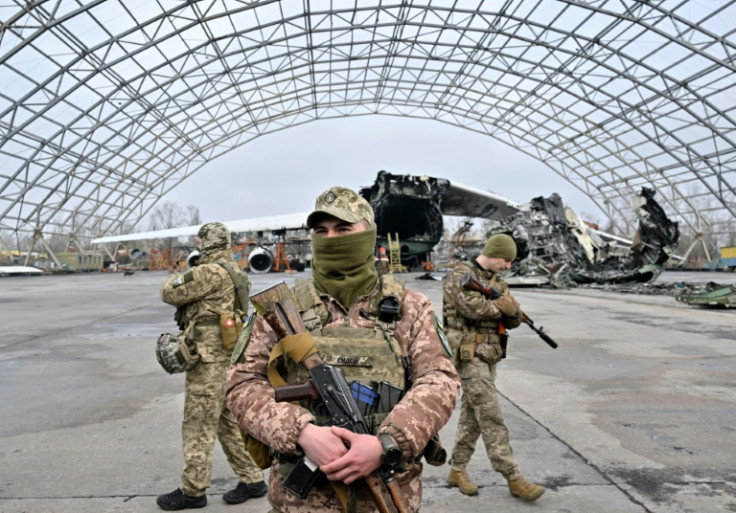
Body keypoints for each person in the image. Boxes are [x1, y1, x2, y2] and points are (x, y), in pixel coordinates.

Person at [226, 186, 460, 513]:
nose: (331, 238)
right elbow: (242, 383)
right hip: (301, 502)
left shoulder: (411, 308)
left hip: (389, 490)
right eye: (321, 231)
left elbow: (440, 380)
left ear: (369, 233)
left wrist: (385, 444)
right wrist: (301, 431)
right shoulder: (282, 309)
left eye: (344, 229)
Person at [157, 222, 267, 511]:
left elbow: (170, 292)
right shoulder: (237, 272)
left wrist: (173, 275)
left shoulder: (208, 272)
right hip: (229, 357)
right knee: (227, 423)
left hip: (208, 361)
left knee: (197, 423)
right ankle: (253, 479)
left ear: (204, 241)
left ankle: (193, 490)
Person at [443, 234, 546, 501]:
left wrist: (508, 309)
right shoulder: (460, 275)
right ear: (494, 253)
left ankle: (457, 470)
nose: (509, 266)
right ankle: (512, 476)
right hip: (467, 353)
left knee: (473, 415)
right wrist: (504, 305)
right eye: (507, 260)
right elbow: (473, 309)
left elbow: (513, 320)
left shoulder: (498, 282)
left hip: (489, 353)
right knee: (490, 414)